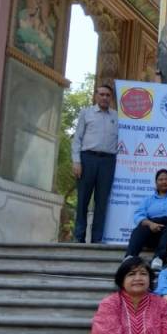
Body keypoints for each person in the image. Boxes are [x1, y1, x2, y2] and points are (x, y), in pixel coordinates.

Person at [71, 83, 118, 244]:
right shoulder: (86, 113)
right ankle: (79, 236)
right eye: (101, 94)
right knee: (83, 199)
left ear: (111, 98)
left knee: (102, 201)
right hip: (87, 159)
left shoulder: (116, 116)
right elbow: (77, 139)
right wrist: (76, 161)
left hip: (108, 161)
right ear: (96, 96)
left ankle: (97, 239)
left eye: (107, 95)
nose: (104, 97)